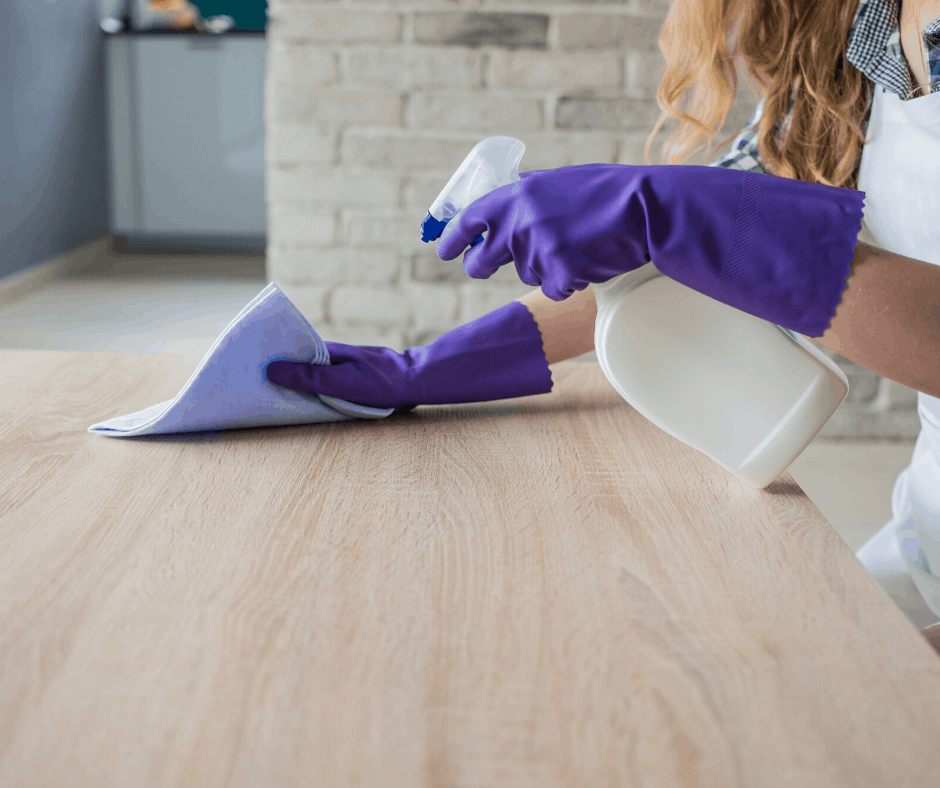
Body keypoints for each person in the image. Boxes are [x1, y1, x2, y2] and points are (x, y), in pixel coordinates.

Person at [266, 0, 940, 629]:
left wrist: (670, 213)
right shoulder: (861, 33)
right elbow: (695, 252)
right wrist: (426, 370)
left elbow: (718, 237)